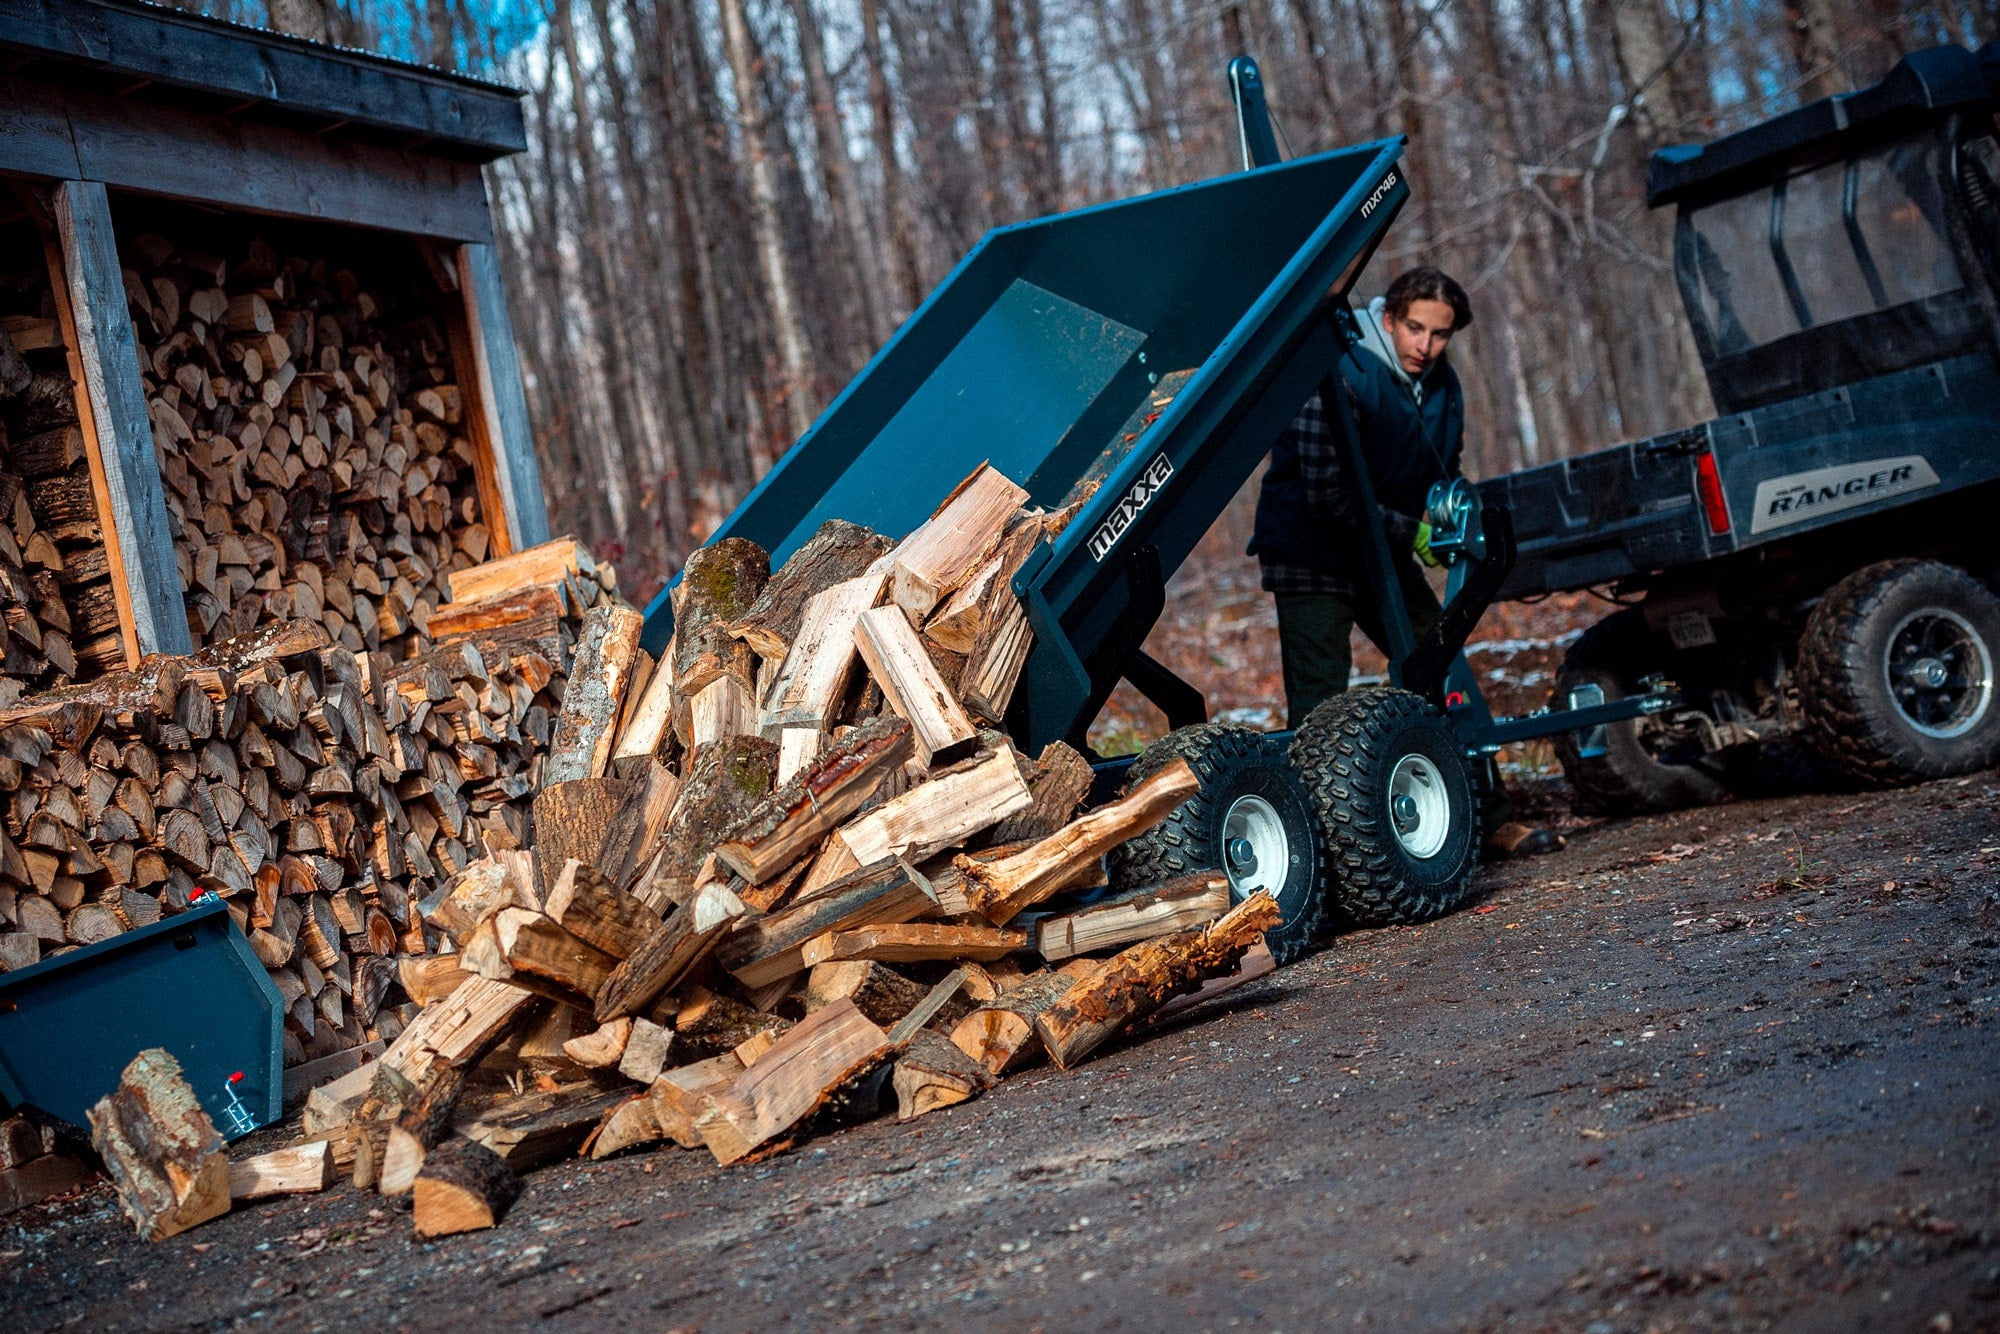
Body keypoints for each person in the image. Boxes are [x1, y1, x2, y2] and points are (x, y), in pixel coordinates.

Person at [1248, 266, 1562, 860]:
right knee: (1321, 705)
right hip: (1310, 553)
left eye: (1439, 334)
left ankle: (1490, 817)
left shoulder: (1443, 388)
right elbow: (1326, 495)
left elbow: (1444, 468)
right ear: (1388, 319)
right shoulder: (1337, 371)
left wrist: (1446, 516)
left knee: (1443, 666)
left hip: (1383, 555)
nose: (1425, 346)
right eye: (1414, 328)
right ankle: (1328, 856)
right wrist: (1411, 530)